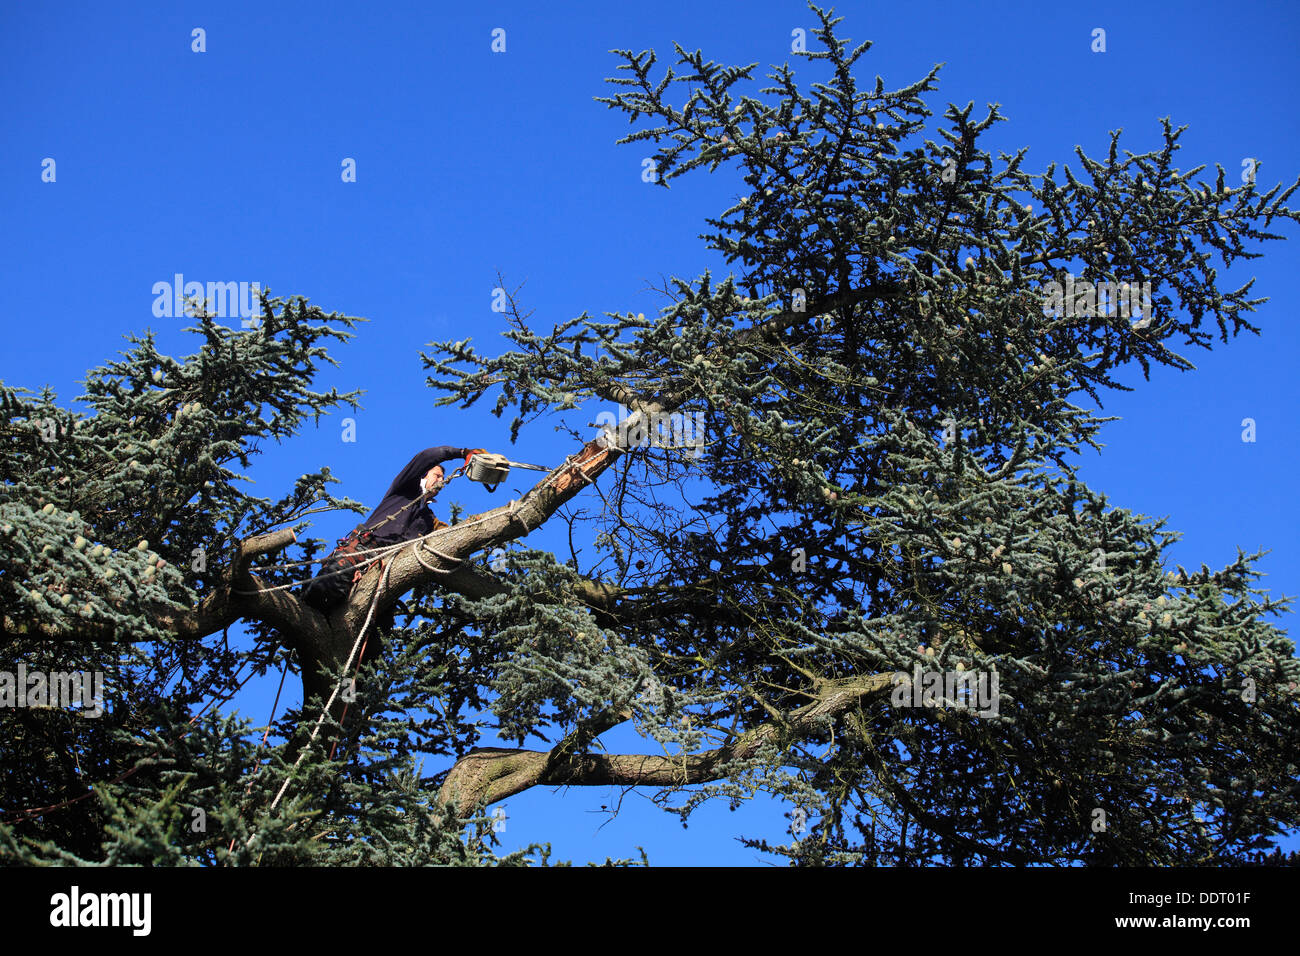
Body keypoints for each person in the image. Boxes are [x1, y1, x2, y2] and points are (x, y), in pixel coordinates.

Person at [301, 445, 481, 616]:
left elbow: (447, 537)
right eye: (437, 475)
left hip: (386, 574)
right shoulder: (404, 489)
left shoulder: (429, 520)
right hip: (362, 552)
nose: (441, 480)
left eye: (443, 477)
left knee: (376, 635)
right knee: (325, 588)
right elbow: (426, 457)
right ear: (424, 475)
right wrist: (462, 452)